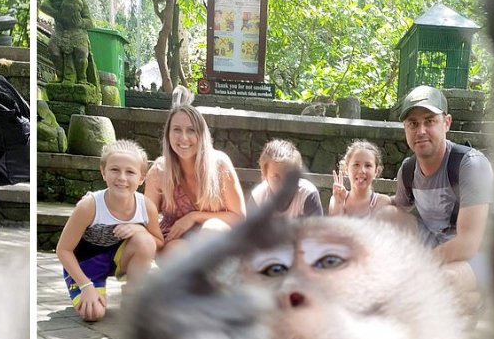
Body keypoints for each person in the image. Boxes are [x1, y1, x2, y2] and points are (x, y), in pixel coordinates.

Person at [390, 85, 494, 308]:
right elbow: (394, 210)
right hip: (437, 246)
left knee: (442, 283)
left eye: (429, 121)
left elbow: (468, 244)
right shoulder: (408, 171)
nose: (421, 131)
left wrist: (420, 266)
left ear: (446, 123)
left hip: (480, 255)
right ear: (405, 129)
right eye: (413, 124)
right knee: (384, 214)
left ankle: (480, 300)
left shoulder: (470, 165)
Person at [56, 140, 163, 323]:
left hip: (118, 260)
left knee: (145, 241)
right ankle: (93, 289)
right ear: (103, 172)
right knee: (93, 313)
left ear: (142, 178)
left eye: (130, 172)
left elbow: (158, 242)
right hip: (87, 265)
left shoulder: (146, 206)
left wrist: (139, 229)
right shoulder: (89, 206)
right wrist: (85, 285)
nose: (122, 177)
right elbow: (63, 250)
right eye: (114, 170)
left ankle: (132, 294)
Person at [143, 87, 245, 256]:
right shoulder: (159, 170)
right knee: (177, 254)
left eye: (191, 130)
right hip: (176, 241)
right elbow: (148, 219)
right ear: (168, 134)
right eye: (177, 130)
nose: (183, 138)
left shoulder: (219, 164)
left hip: (216, 238)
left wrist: (194, 217)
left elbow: (239, 217)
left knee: (212, 230)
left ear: (201, 134)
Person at [247, 139, 323, 217]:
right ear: (264, 175)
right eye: (276, 177)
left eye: (289, 177)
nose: (283, 185)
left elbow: (318, 228)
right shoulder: (258, 197)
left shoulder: (307, 194)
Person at [329, 140, 393, 217]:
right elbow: (335, 228)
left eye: (368, 165)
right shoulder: (335, 199)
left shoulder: (382, 202)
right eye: (356, 165)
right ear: (346, 168)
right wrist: (338, 204)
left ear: (376, 171)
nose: (361, 170)